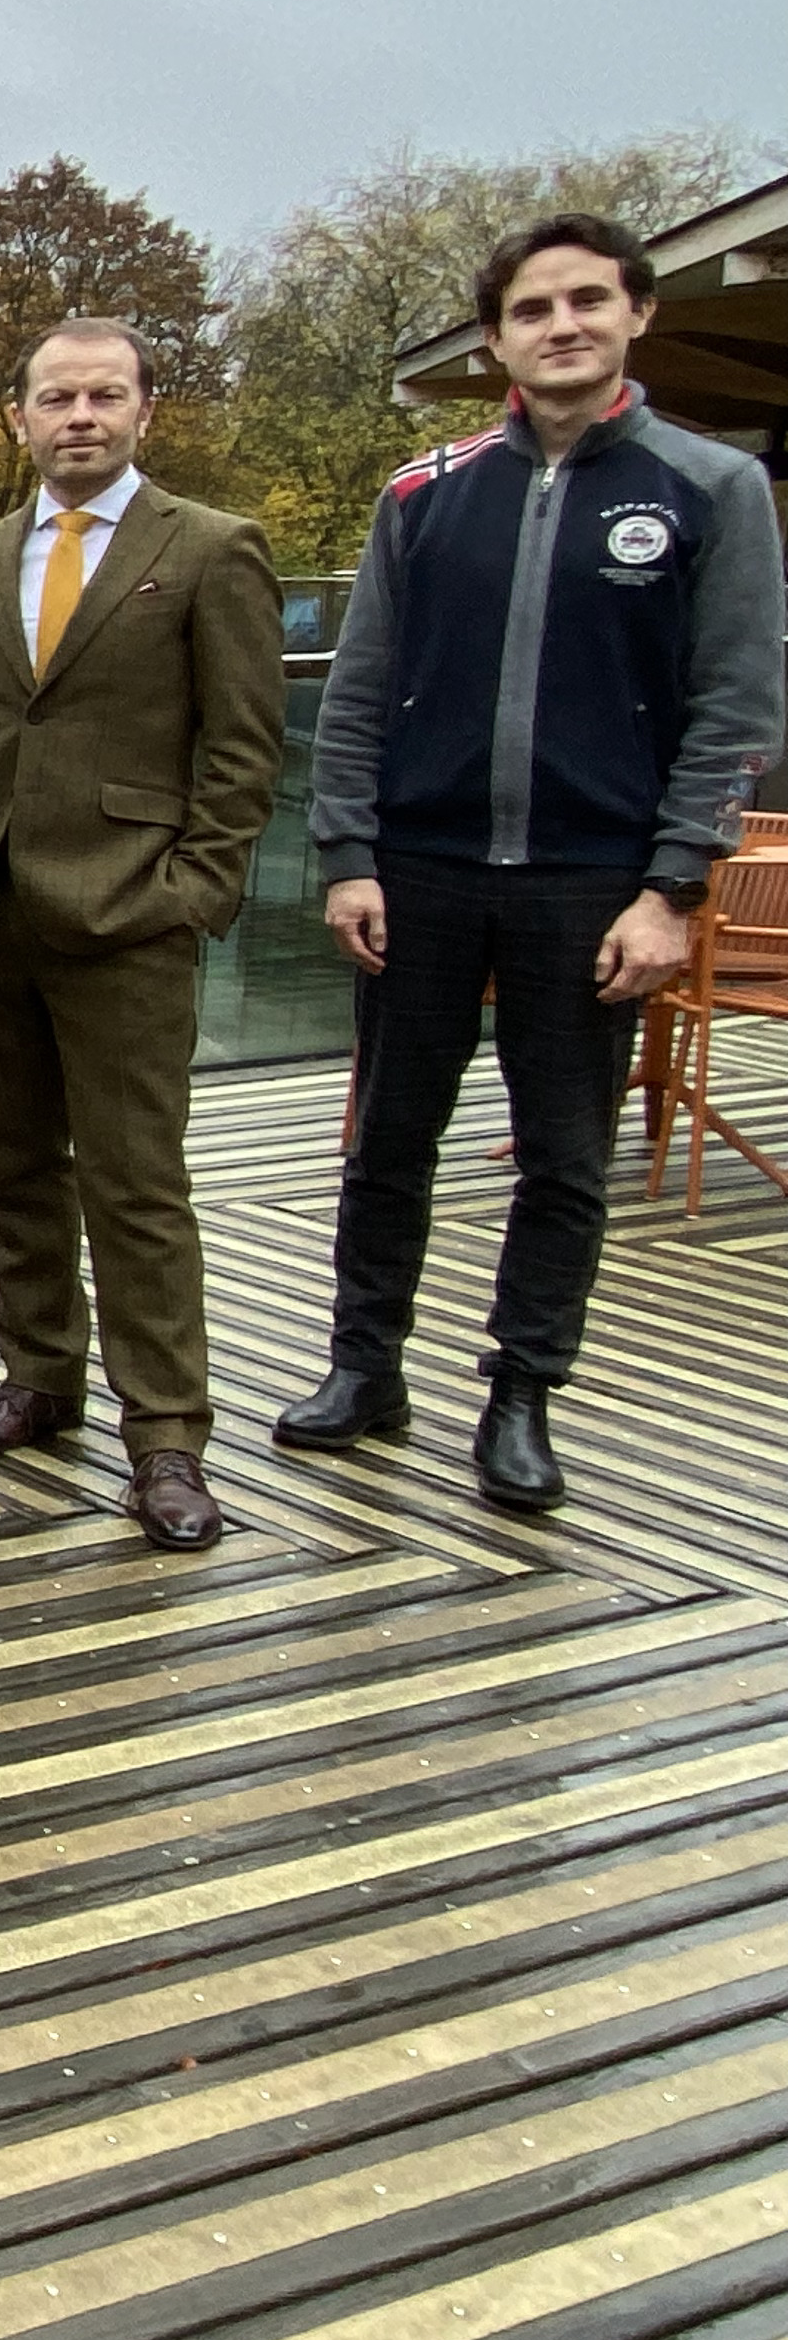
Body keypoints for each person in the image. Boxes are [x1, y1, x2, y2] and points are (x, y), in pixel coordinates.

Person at [288, 213, 784, 1508]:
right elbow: (356, 692)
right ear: (500, 334)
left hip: (592, 883)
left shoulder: (709, 489)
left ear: (636, 316)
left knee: (565, 1154)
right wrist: (346, 854)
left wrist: (677, 885)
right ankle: (365, 1367)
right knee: (389, 1139)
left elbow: (735, 708)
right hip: (423, 869)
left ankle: (521, 1395)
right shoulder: (426, 492)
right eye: (532, 309)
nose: (561, 326)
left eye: (585, 302)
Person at [0, 322, 283, 1549]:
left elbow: (243, 745)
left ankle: (167, 1435)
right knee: (12, 1165)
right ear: (19, 418)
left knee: (136, 1183)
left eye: (103, 396)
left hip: (129, 911)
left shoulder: (212, 549)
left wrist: (196, 892)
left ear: (142, 413)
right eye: (55, 397)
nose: (79, 416)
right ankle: (39, 1377)